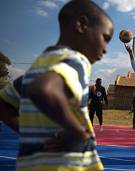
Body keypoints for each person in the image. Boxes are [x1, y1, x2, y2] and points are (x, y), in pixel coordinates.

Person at [0, 1, 114, 171]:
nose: (105, 49)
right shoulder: (77, 61)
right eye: (105, 38)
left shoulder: (38, 66)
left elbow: (3, 104)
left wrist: (24, 129)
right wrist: (78, 132)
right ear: (81, 25)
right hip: (68, 165)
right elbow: (43, 89)